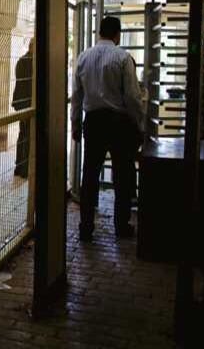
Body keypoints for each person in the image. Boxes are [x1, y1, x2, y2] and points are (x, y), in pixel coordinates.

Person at [71, 17, 144, 241]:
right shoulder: (122, 57)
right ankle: (121, 227)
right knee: (123, 176)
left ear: (99, 32)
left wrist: (75, 123)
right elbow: (132, 97)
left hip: (93, 122)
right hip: (119, 123)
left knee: (90, 175)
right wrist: (139, 123)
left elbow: (77, 96)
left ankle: (85, 227)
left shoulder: (83, 57)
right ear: (117, 34)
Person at [11, 38, 34, 178]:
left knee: (23, 134)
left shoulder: (22, 60)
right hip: (26, 103)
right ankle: (24, 168)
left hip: (21, 102)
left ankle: (20, 167)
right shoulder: (30, 61)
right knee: (27, 135)